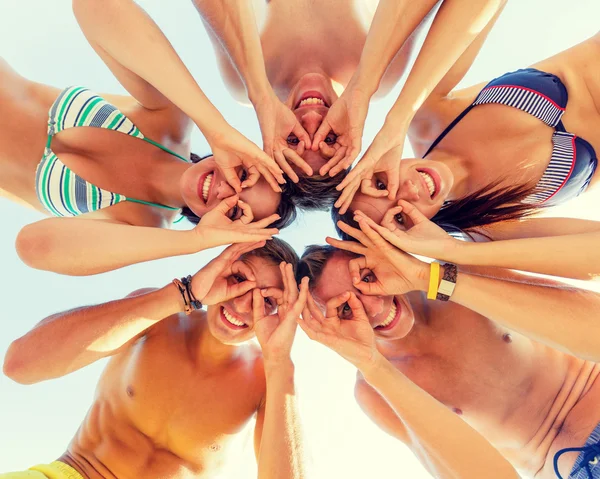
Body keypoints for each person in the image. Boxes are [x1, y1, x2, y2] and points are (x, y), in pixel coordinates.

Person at [2, 0, 301, 277]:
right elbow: (94, 6)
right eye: (243, 176)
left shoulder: (143, 227)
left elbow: (33, 246)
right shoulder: (170, 116)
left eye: (235, 210)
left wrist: (195, 241)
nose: (225, 189)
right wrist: (216, 128)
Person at [296, 211, 600, 479]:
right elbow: (460, 473)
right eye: (347, 309)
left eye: (367, 278)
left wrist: (428, 277)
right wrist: (371, 364)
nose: (374, 308)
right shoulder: (372, 390)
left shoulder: (460, 270)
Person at [2, 239, 310, 479]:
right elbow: (21, 365)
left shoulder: (267, 380)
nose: (244, 305)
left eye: (268, 301)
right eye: (238, 279)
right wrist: (184, 294)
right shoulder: (161, 319)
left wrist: (280, 361)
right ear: (218, 269)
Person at [192, 0, 507, 209]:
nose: (313, 119)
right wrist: (370, 93)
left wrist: (258, 90)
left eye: (293, 138)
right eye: (329, 139)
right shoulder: (378, 79)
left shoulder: (247, 82)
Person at [334, 29, 600, 235]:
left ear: (372, 163)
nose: (408, 191)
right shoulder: (493, 224)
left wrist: (398, 118)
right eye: (400, 217)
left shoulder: (425, 117)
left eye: (382, 184)